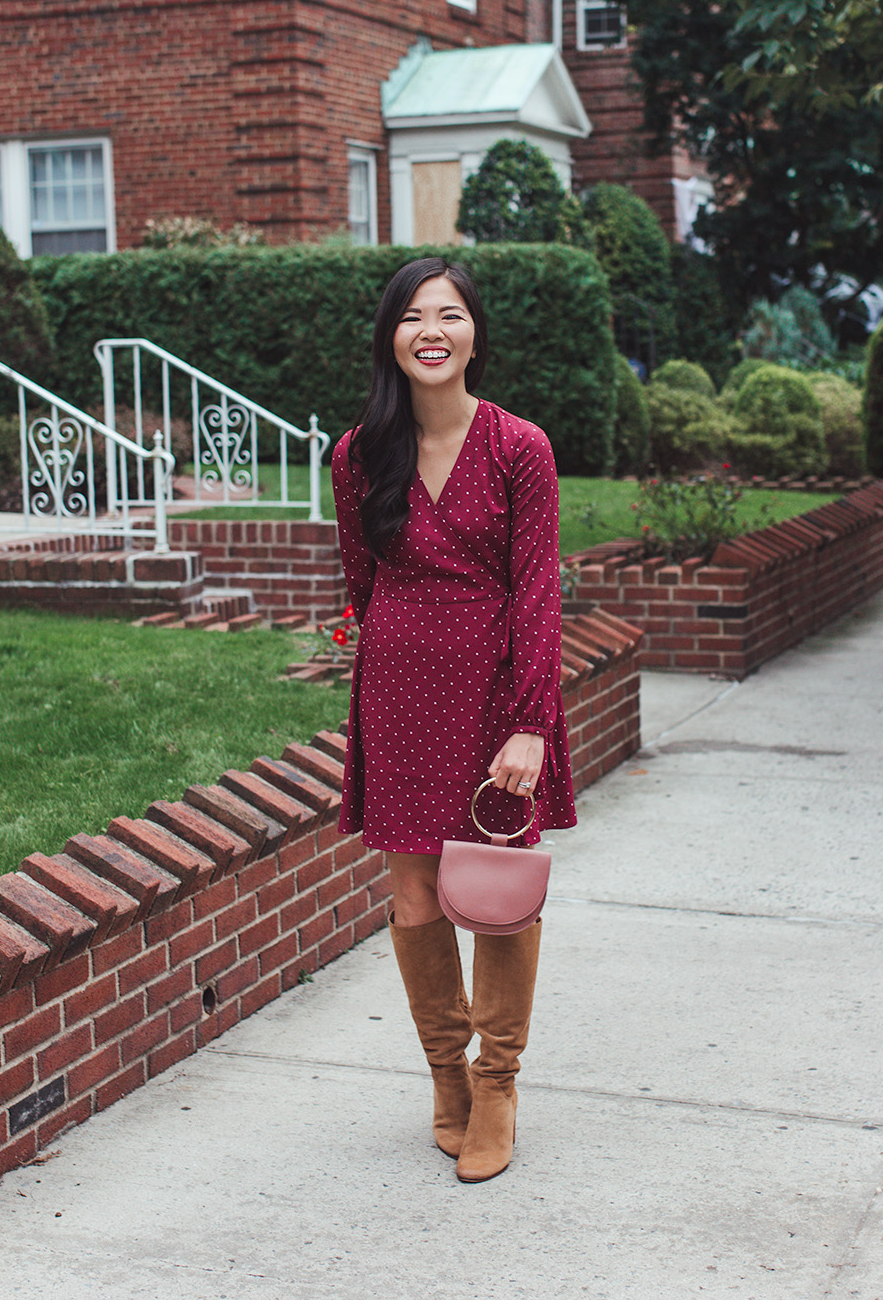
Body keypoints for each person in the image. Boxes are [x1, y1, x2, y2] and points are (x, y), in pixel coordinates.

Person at [331, 256, 576, 1182]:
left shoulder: (520, 447)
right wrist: (383, 654)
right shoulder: (358, 455)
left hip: (496, 696)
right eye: (413, 317)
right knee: (415, 896)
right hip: (398, 694)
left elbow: (537, 593)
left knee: (500, 904)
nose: (431, 331)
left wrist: (530, 725)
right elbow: (362, 581)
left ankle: (499, 1082)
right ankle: (447, 1079)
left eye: (450, 315)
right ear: (391, 337)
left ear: (475, 333)